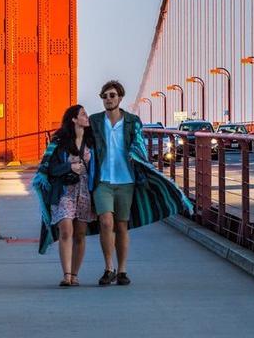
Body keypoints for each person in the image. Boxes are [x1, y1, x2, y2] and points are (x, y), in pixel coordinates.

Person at [90, 79, 192, 286]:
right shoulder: (94, 121)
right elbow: (80, 139)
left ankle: (123, 271)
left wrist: (136, 157)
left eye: (112, 95)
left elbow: (139, 147)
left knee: (121, 226)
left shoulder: (132, 121)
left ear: (120, 98)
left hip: (126, 180)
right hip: (102, 180)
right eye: (104, 96)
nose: (108, 99)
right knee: (105, 222)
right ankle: (108, 268)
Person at [31, 104, 97, 286]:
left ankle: (75, 275)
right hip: (64, 191)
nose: (87, 117)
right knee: (66, 229)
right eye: (83, 114)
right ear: (74, 119)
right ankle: (66, 275)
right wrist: (70, 166)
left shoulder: (93, 141)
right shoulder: (59, 143)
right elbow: (49, 168)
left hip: (85, 191)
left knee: (80, 234)